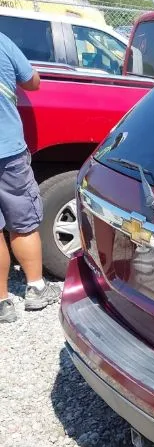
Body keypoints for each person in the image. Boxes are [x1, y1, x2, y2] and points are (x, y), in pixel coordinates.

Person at [0, 32, 61, 324]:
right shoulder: (2, 42)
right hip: (8, 151)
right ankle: (36, 288)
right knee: (22, 223)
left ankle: (2, 303)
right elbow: (32, 82)